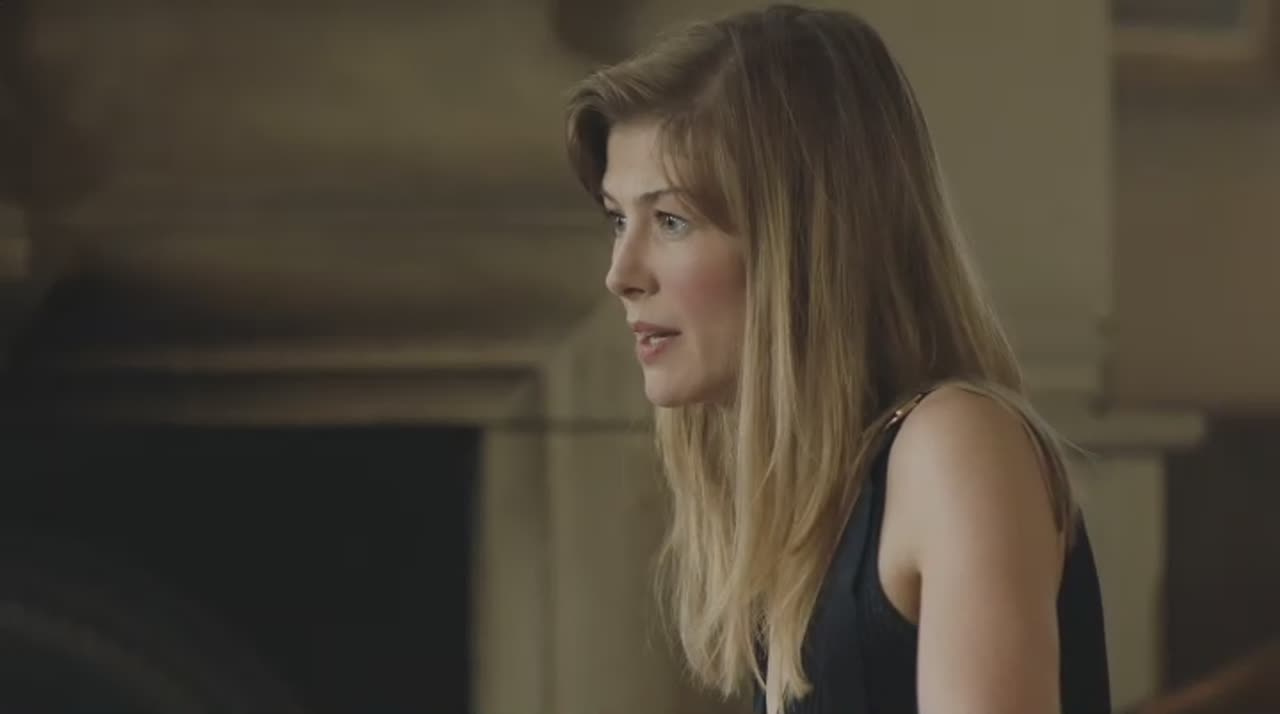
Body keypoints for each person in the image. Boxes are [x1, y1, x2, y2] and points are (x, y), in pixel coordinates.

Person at [563, 5, 1110, 714]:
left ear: (802, 243)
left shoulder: (954, 446)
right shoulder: (804, 503)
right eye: (618, 219)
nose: (621, 274)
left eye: (671, 220)